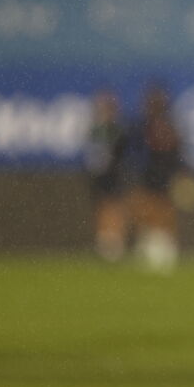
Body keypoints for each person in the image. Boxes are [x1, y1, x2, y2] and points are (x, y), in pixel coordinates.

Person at [131, 83, 184, 273]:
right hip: (149, 175)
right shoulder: (143, 126)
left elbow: (178, 153)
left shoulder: (171, 126)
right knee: (145, 211)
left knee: (165, 212)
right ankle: (149, 248)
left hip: (164, 175)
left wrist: (181, 174)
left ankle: (166, 251)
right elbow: (136, 151)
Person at [82, 88, 130, 262]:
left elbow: (121, 151)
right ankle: (104, 240)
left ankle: (116, 241)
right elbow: (91, 154)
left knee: (114, 205)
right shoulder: (95, 129)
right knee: (102, 206)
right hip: (99, 174)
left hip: (114, 173)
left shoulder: (117, 129)